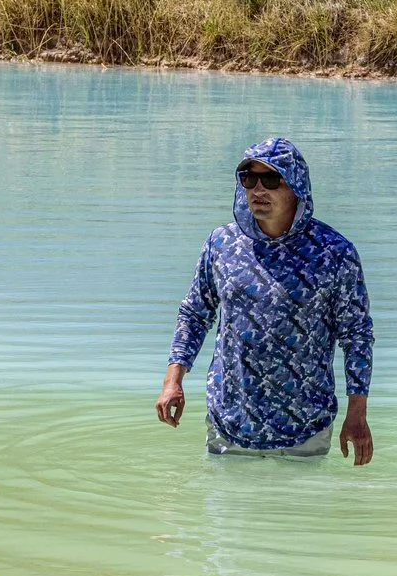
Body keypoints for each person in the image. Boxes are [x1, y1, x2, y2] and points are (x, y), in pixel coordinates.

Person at [159, 137, 373, 463]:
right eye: (249, 179)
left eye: (271, 180)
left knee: (297, 512)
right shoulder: (222, 245)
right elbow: (195, 313)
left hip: (305, 425)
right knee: (223, 509)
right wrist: (173, 381)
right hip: (230, 420)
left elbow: (356, 335)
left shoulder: (334, 253)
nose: (258, 189)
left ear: (296, 187)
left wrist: (357, 412)